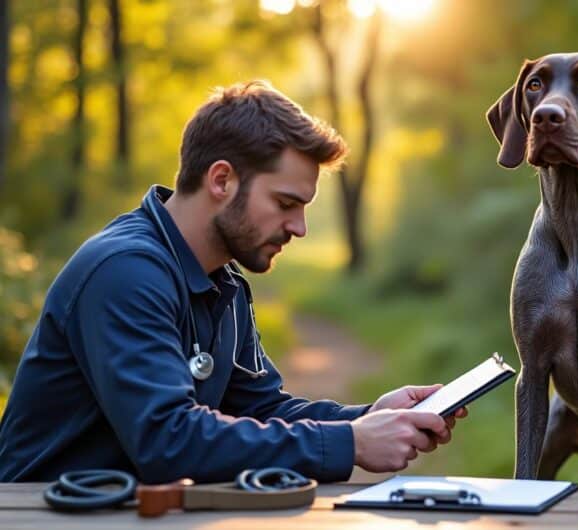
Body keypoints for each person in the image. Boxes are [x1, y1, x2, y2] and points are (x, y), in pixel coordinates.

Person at [0, 80, 465, 484]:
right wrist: (347, 443)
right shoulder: (125, 271)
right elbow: (168, 441)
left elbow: (260, 411)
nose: (299, 228)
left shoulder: (223, 283)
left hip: (131, 511)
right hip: (38, 512)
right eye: (285, 203)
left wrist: (366, 419)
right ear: (221, 180)